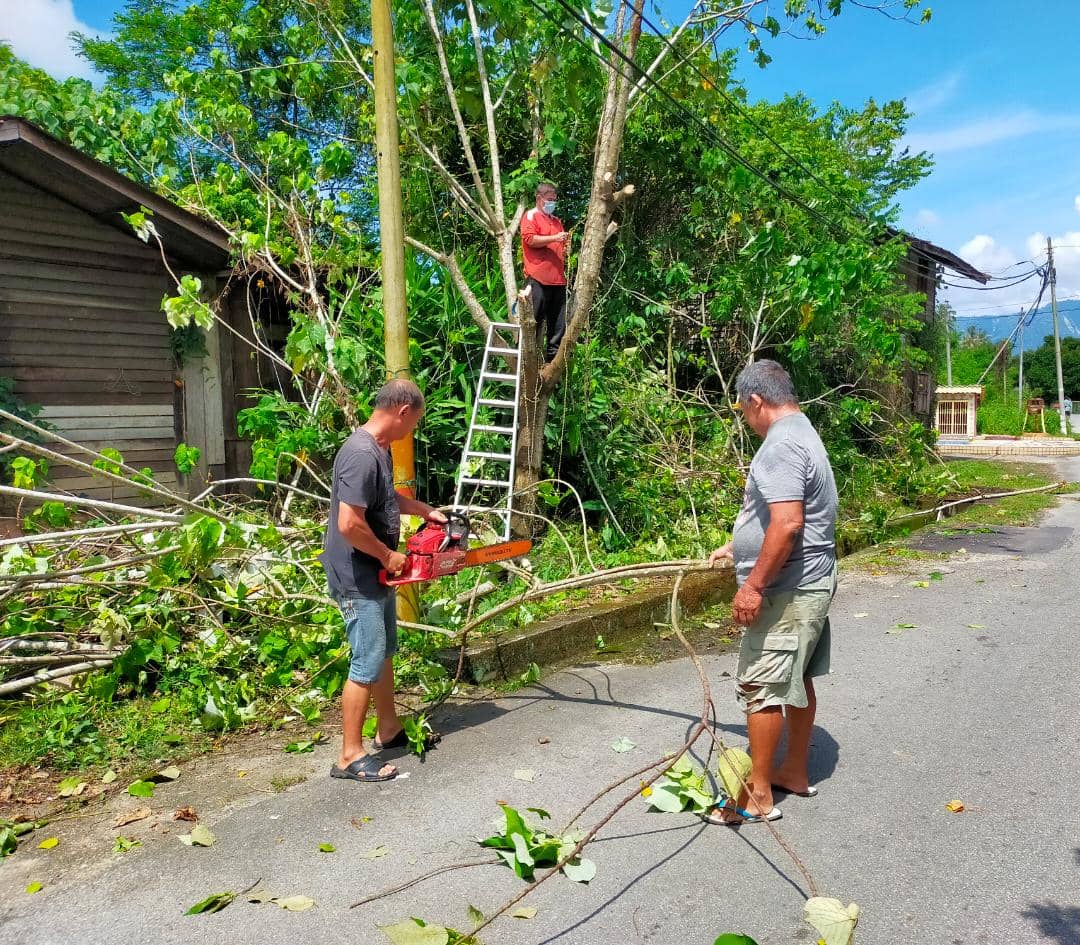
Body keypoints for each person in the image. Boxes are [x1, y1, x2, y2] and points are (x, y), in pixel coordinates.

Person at [706, 360, 838, 825]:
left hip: (787, 587)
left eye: (745, 411)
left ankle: (758, 794)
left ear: (757, 401)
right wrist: (737, 543)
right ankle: (793, 771)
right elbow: (778, 516)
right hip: (808, 580)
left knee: (761, 685)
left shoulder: (779, 445)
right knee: (796, 680)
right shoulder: (803, 431)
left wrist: (753, 585)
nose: (747, 419)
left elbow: (788, 523)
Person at [321, 379, 447, 784]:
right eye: (414, 422)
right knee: (367, 658)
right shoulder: (359, 454)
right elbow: (348, 524)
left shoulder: (379, 449)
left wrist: (427, 511)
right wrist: (388, 555)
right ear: (402, 412)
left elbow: (387, 499)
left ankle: (388, 728)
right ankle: (349, 755)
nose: (412, 430)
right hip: (358, 574)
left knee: (384, 649)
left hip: (375, 572)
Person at [520, 181, 569, 361]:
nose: (552, 203)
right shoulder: (531, 216)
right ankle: (526, 359)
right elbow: (530, 239)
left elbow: (561, 245)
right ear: (539, 198)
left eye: (554, 200)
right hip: (537, 278)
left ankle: (552, 363)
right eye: (549, 200)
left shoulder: (556, 221)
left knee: (558, 325)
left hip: (558, 280)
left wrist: (564, 247)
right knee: (533, 321)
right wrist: (554, 238)